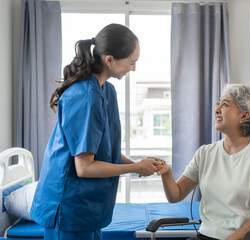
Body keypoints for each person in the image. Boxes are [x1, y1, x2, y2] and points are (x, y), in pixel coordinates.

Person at [30, 24, 162, 240]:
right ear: (109, 60)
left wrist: (137, 164)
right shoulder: (83, 96)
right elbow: (84, 167)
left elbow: (105, 150)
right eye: (132, 62)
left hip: (88, 207)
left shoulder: (107, 91)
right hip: (68, 207)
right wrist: (136, 167)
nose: (134, 68)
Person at [156, 84, 250, 240]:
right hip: (204, 236)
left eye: (225, 104)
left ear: (244, 116)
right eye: (218, 103)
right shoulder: (205, 153)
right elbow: (176, 195)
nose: (217, 109)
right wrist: (166, 172)